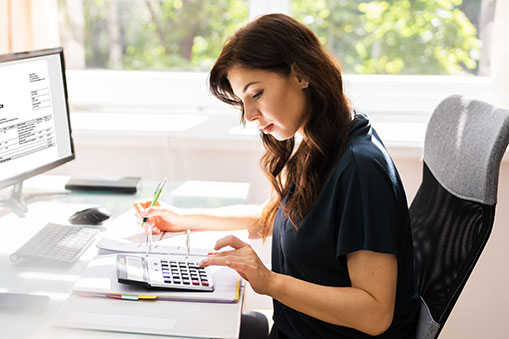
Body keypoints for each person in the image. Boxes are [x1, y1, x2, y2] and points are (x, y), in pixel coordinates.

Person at [133, 13, 419, 338]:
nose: (250, 116)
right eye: (242, 101)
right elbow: (278, 217)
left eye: (256, 94)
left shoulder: (359, 169)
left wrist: (268, 281)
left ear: (301, 74)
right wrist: (184, 219)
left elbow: (374, 313)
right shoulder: (317, 138)